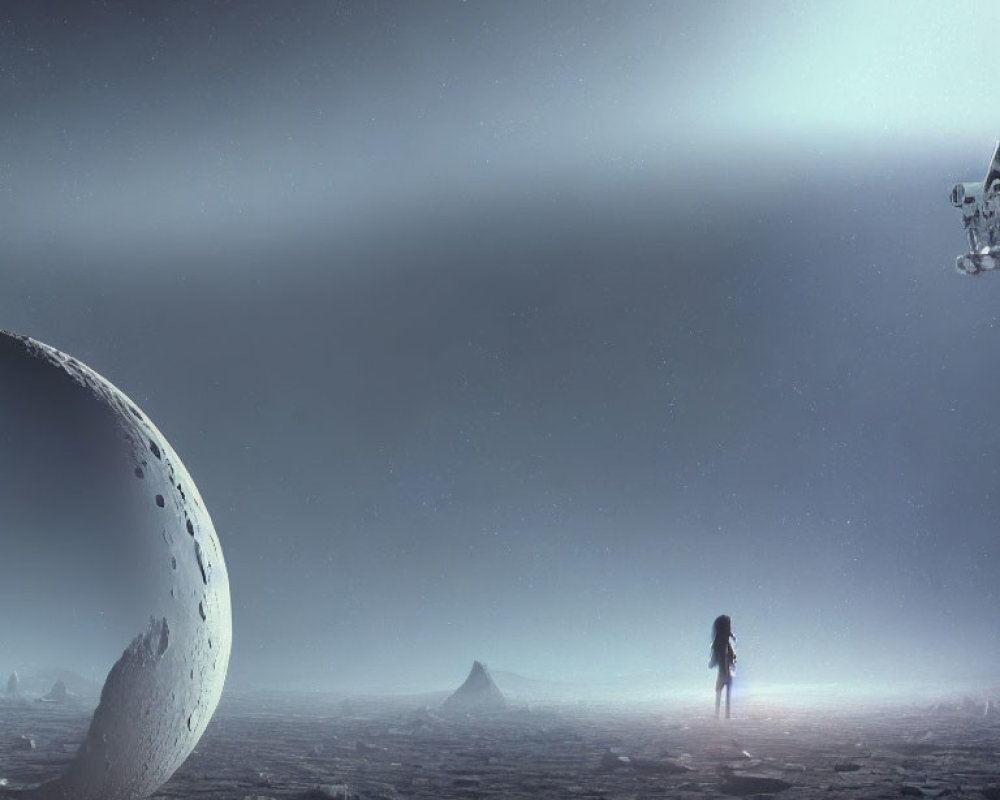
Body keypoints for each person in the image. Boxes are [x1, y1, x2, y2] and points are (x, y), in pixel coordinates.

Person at [709, 614, 737, 719]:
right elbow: (731, 657)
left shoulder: (718, 643)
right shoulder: (727, 641)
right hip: (727, 673)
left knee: (719, 695)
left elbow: (713, 662)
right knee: (725, 697)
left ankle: (719, 717)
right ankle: (725, 716)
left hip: (722, 673)